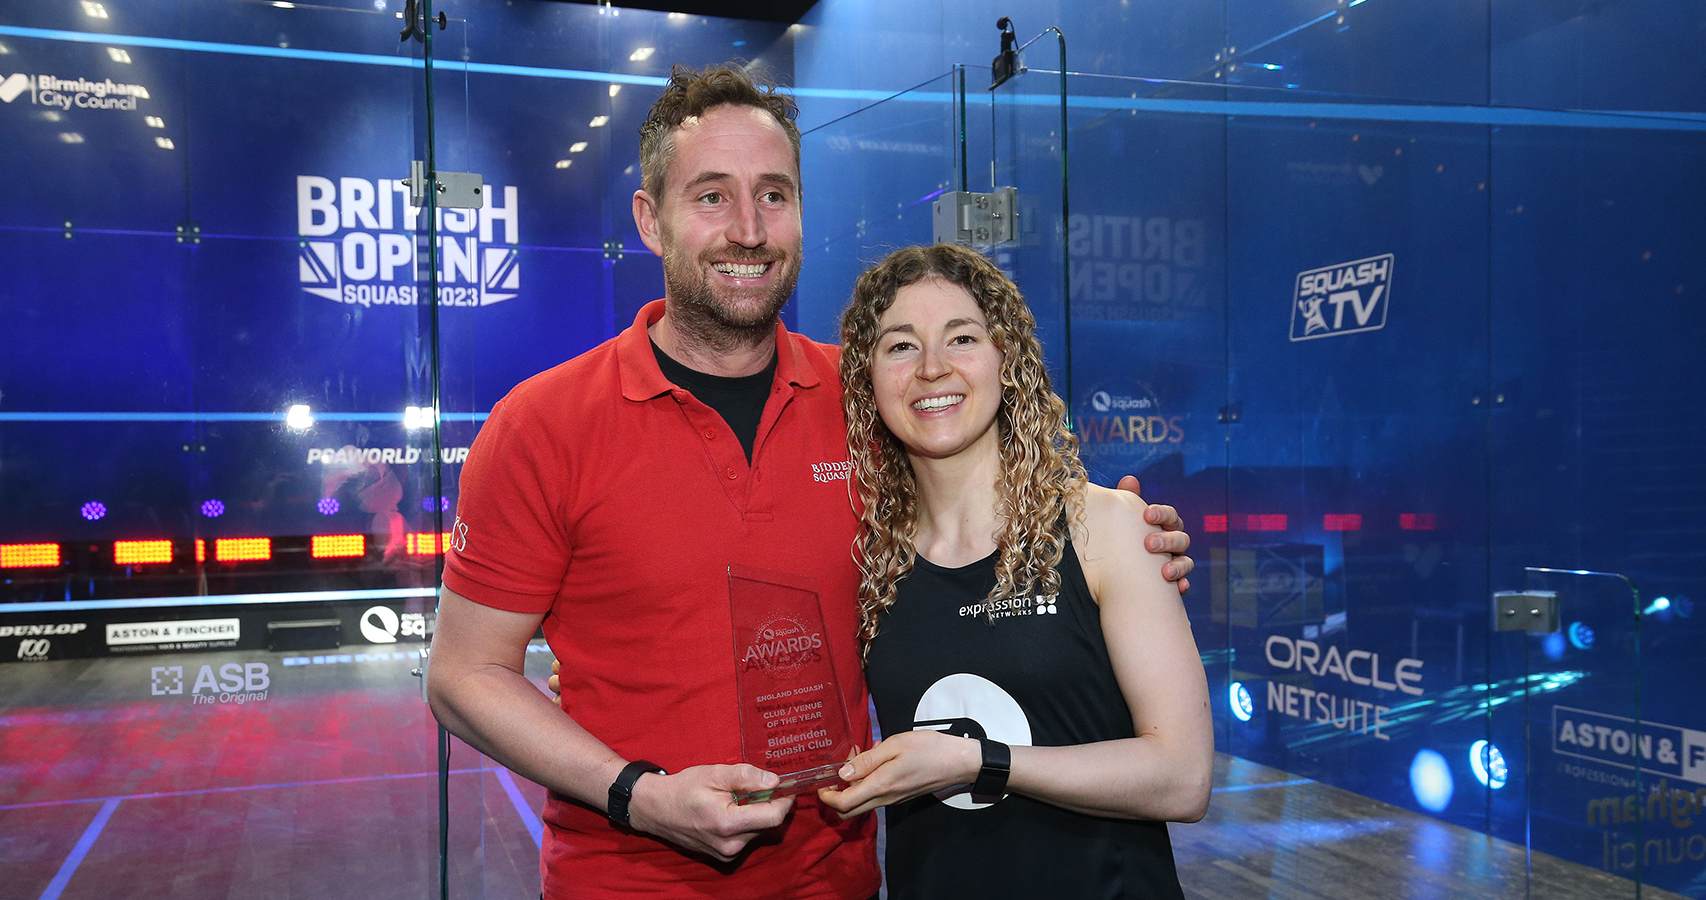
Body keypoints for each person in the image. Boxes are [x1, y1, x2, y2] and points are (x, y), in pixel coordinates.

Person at [426, 64, 1195, 900]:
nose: (748, 229)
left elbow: (998, 493)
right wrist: (638, 794)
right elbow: (464, 677)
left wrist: (1124, 537)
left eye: (774, 195)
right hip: (626, 880)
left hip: (839, 879)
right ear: (651, 220)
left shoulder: (871, 401)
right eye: (711, 196)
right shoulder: (542, 424)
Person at [819, 244, 1214, 899]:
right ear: (868, 378)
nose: (933, 368)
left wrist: (978, 761)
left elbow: (1183, 776)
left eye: (962, 337)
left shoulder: (1105, 528)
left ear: (1008, 360)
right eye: (900, 346)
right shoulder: (865, 562)